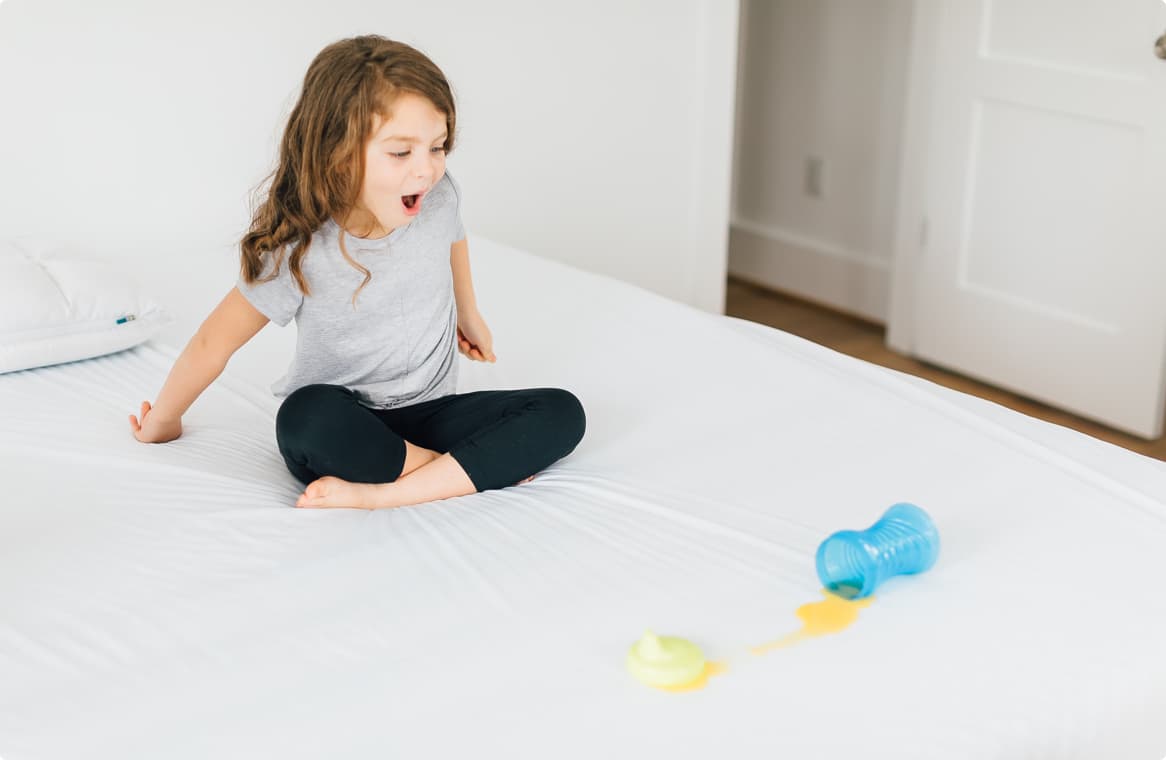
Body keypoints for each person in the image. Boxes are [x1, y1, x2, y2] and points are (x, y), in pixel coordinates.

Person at [128, 35, 586, 510]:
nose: (426, 170)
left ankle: (383, 494)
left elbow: (454, 237)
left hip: (432, 410)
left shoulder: (438, 197)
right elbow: (213, 342)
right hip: (346, 423)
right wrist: (163, 420)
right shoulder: (299, 249)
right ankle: (456, 470)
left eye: (438, 146)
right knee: (303, 419)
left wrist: (467, 313)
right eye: (401, 152)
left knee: (562, 412)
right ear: (339, 153)